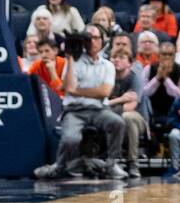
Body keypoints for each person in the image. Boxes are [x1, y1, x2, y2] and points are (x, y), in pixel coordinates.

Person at [35, 25, 126, 179]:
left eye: (96, 38)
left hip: (99, 110)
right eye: (88, 38)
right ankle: (59, 166)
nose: (92, 41)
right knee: (71, 139)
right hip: (74, 110)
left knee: (118, 123)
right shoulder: (73, 62)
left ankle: (111, 165)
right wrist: (70, 58)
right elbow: (69, 87)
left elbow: (104, 92)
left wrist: (77, 91)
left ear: (102, 41)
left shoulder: (108, 65)